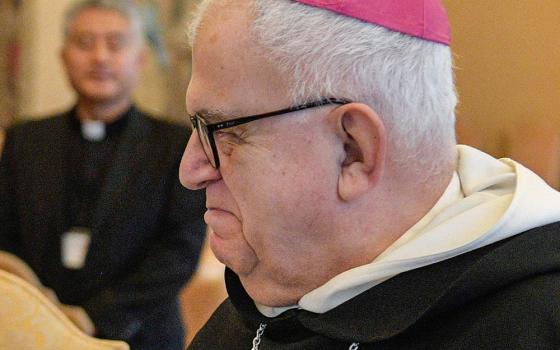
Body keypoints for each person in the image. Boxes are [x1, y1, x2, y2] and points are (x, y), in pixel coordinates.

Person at [179, 0, 560, 349]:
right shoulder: (253, 319)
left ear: (352, 151)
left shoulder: (533, 323)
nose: (190, 170)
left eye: (222, 130)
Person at [0, 1, 206, 349]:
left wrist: (94, 318)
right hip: (37, 336)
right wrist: (43, 309)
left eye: (115, 44)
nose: (99, 57)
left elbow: (178, 252)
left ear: (140, 58)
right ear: (64, 55)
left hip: (141, 336)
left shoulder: (175, 146)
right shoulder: (26, 140)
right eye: (84, 43)